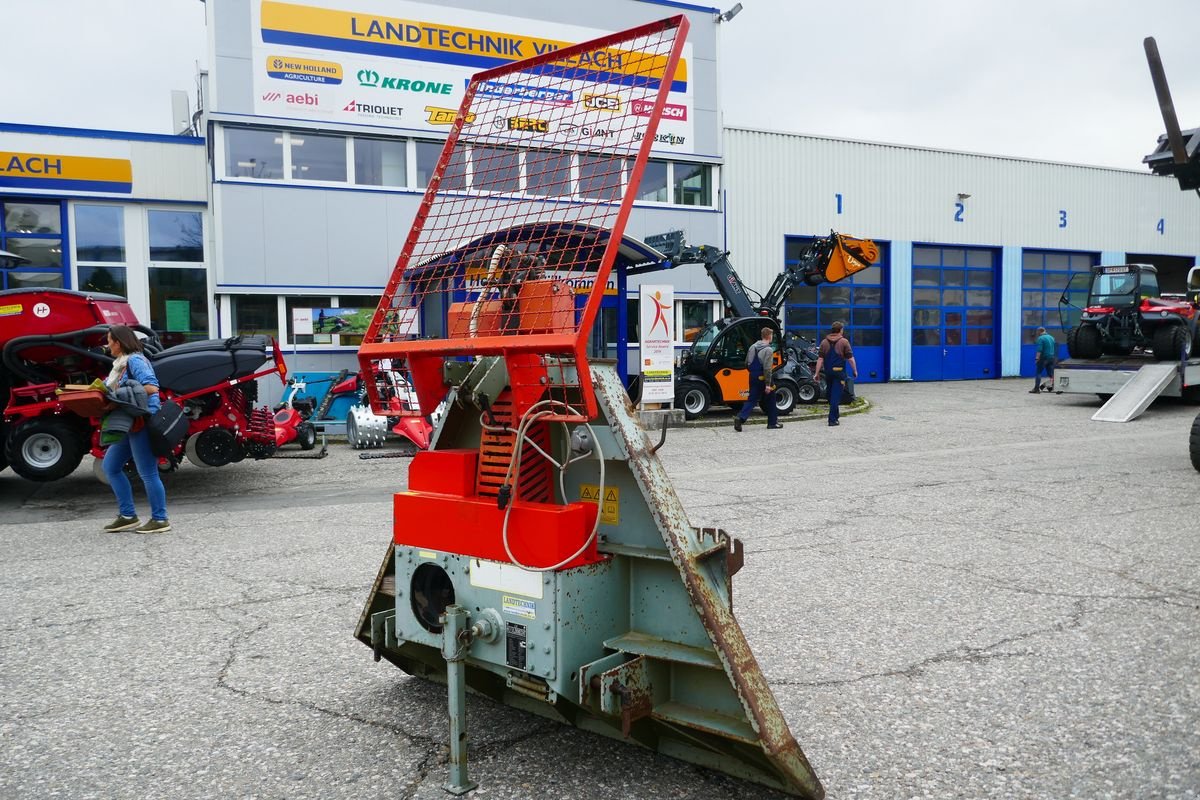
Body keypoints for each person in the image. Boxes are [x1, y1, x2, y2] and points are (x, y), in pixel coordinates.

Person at [100, 325, 171, 534]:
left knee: (147, 473)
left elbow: (151, 387)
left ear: (119, 343)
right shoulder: (120, 365)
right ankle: (127, 516)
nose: (107, 345)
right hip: (128, 422)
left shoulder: (135, 361)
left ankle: (160, 520)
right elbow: (107, 387)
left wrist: (118, 393)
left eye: (109, 340)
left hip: (141, 421)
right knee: (110, 467)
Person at [733, 327, 782, 431]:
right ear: (769, 336)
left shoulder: (753, 347)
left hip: (752, 376)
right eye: (772, 335)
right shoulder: (768, 349)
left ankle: (740, 418)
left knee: (751, 399)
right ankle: (772, 423)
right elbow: (768, 368)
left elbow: (746, 363)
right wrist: (768, 384)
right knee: (771, 399)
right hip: (763, 376)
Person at [814, 321, 857, 426]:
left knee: (830, 394)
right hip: (839, 373)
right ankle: (832, 420)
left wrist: (816, 373)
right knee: (836, 396)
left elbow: (820, 359)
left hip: (828, 372)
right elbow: (850, 358)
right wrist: (854, 370)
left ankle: (835, 415)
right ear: (841, 330)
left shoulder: (824, 342)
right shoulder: (844, 342)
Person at [1031, 326, 1057, 393]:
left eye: (1037, 332)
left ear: (1039, 331)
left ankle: (1036, 389)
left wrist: (1037, 358)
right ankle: (1053, 387)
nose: (1037, 334)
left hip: (1044, 358)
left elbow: (1039, 350)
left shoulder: (1041, 338)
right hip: (1051, 357)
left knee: (1038, 372)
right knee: (1051, 374)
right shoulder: (1051, 337)